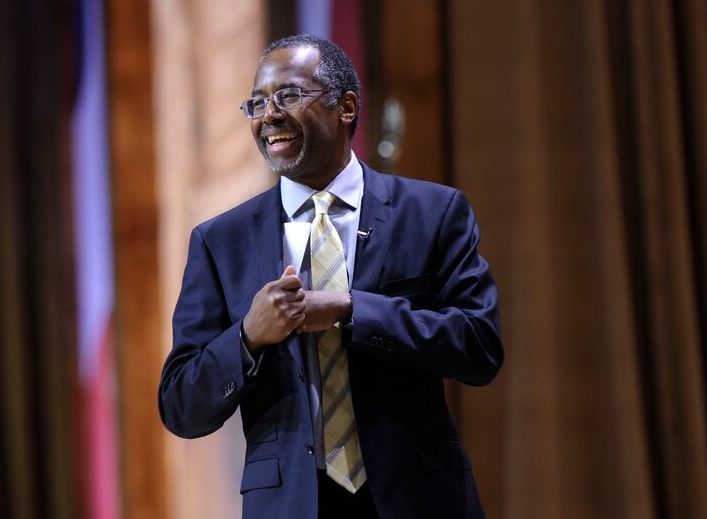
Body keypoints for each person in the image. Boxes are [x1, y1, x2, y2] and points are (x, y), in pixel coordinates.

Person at [158, 34, 503, 519]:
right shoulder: (220, 241)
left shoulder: (432, 213)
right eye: (257, 103)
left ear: (346, 107)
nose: (269, 115)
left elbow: (480, 346)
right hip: (290, 505)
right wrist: (248, 337)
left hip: (420, 499)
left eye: (289, 95)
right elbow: (181, 405)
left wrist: (352, 309)